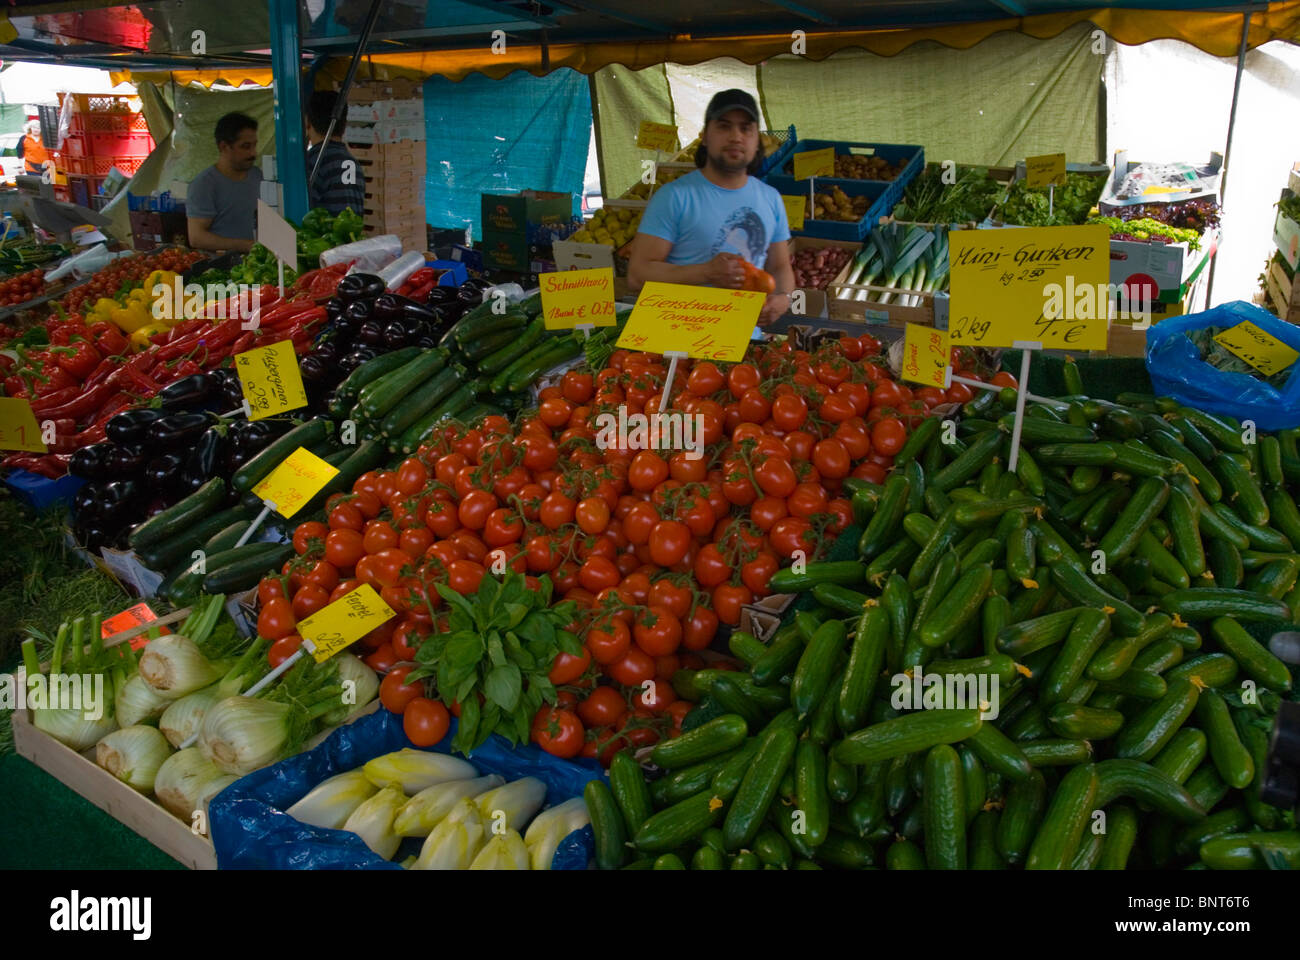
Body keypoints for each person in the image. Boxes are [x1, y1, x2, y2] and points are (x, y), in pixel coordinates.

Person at [628, 89, 794, 326]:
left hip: (746, 342)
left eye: (746, 128)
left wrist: (783, 298)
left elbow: (780, 266)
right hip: (682, 346)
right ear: (705, 136)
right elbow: (637, 275)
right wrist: (707, 273)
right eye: (724, 126)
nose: (736, 136)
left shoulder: (771, 198)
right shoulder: (674, 197)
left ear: (757, 140)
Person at [187, 112, 262, 252]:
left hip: (257, 264)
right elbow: (196, 237)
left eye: (254, 145)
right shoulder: (204, 185)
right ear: (224, 147)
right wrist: (248, 246)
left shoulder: (258, 176)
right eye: (245, 146)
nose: (253, 153)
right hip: (220, 266)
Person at [305, 90, 365, 215]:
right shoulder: (352, 162)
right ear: (344, 124)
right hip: (352, 234)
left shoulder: (313, 162)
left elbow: (304, 214)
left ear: (307, 123)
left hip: (324, 235)